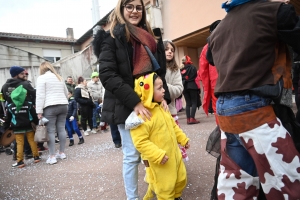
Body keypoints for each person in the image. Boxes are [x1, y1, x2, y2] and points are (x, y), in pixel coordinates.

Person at [206, 0, 300, 199]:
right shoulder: (274, 12)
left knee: (238, 187)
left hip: (226, 113)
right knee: (289, 184)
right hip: (255, 109)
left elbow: (211, 58)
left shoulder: (219, 28)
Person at [92, 0, 171, 198]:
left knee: (155, 151)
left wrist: (163, 97)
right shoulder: (110, 39)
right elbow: (108, 75)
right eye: (129, 6)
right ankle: (133, 197)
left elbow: (158, 73)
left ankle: (160, 189)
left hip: (151, 103)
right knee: (132, 156)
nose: (134, 11)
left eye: (138, 7)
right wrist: (135, 101)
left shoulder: (150, 38)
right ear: (121, 9)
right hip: (125, 105)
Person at [130, 73, 189, 200]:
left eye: (163, 87)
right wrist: (158, 155)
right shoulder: (143, 116)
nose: (164, 90)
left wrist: (183, 139)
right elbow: (140, 142)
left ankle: (176, 196)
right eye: (159, 88)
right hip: (160, 160)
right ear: (148, 90)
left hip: (174, 155)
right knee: (164, 186)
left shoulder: (162, 108)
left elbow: (173, 126)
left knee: (180, 178)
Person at [36, 62, 68, 165]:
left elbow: (40, 95)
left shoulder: (41, 78)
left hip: (50, 106)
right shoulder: (59, 77)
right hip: (63, 105)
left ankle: (52, 156)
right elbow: (66, 92)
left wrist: (39, 111)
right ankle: (62, 152)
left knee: (50, 131)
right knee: (61, 129)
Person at [1, 66, 36, 160]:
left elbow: (3, 99)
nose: (24, 74)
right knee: (29, 134)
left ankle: (16, 156)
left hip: (13, 113)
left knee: (18, 135)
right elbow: (34, 94)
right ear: (16, 74)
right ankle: (29, 153)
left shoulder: (4, 86)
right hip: (26, 111)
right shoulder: (25, 84)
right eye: (22, 73)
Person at [4, 85, 41, 168]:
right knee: (32, 141)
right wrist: (36, 123)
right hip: (28, 126)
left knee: (20, 143)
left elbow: (8, 119)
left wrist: (6, 128)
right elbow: (34, 116)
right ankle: (36, 157)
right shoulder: (29, 104)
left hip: (17, 128)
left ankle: (20, 161)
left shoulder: (10, 107)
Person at [198, 20, 221, 123]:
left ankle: (223, 134)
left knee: (218, 112)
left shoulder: (207, 47)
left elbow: (203, 71)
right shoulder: (232, 39)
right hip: (234, 82)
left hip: (215, 84)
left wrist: (206, 87)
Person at [163, 40, 183, 125]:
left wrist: (162, 86)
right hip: (153, 112)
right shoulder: (152, 66)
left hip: (170, 111)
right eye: (166, 49)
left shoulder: (175, 69)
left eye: (172, 50)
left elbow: (179, 89)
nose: (170, 52)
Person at [181, 55, 201, 124]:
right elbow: (195, 77)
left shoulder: (181, 69)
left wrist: (185, 78)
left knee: (188, 103)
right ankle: (192, 118)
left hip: (185, 87)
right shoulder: (193, 68)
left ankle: (188, 119)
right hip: (192, 86)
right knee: (194, 102)